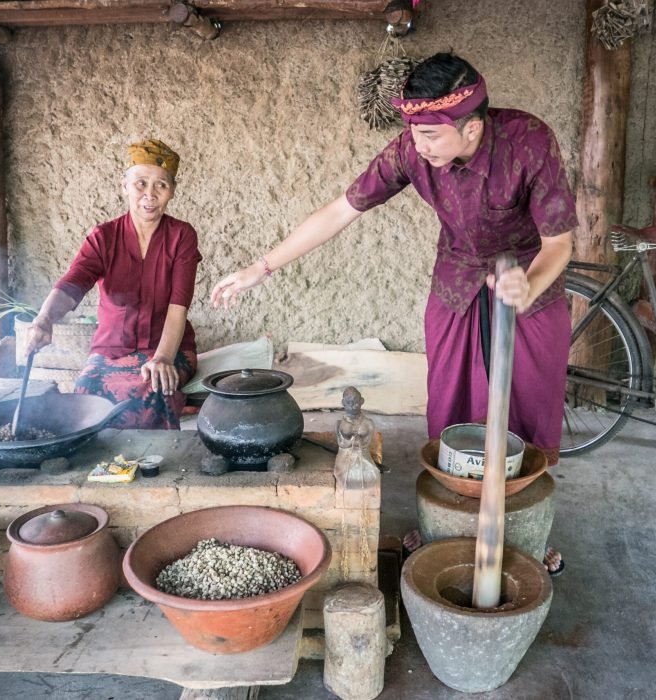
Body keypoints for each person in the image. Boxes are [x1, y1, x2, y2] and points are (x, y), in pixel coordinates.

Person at [209, 53, 574, 575]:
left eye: (430, 136)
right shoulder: (412, 147)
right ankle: (444, 523)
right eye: (414, 134)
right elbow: (342, 209)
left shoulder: (529, 142)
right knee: (452, 403)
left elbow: (559, 242)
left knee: (529, 408)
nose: (418, 147)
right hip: (457, 280)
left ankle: (530, 534)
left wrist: (527, 284)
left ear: (471, 129)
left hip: (530, 278)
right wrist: (260, 268)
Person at [26, 139, 202, 429]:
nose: (150, 194)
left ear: (172, 190)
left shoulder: (181, 236)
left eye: (161, 185)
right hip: (111, 349)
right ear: (124, 186)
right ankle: (100, 473)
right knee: (85, 395)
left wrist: (162, 358)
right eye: (140, 184)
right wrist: (44, 319)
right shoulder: (104, 237)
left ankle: (152, 468)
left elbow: (178, 306)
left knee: (153, 388)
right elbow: (74, 283)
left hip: (169, 349)